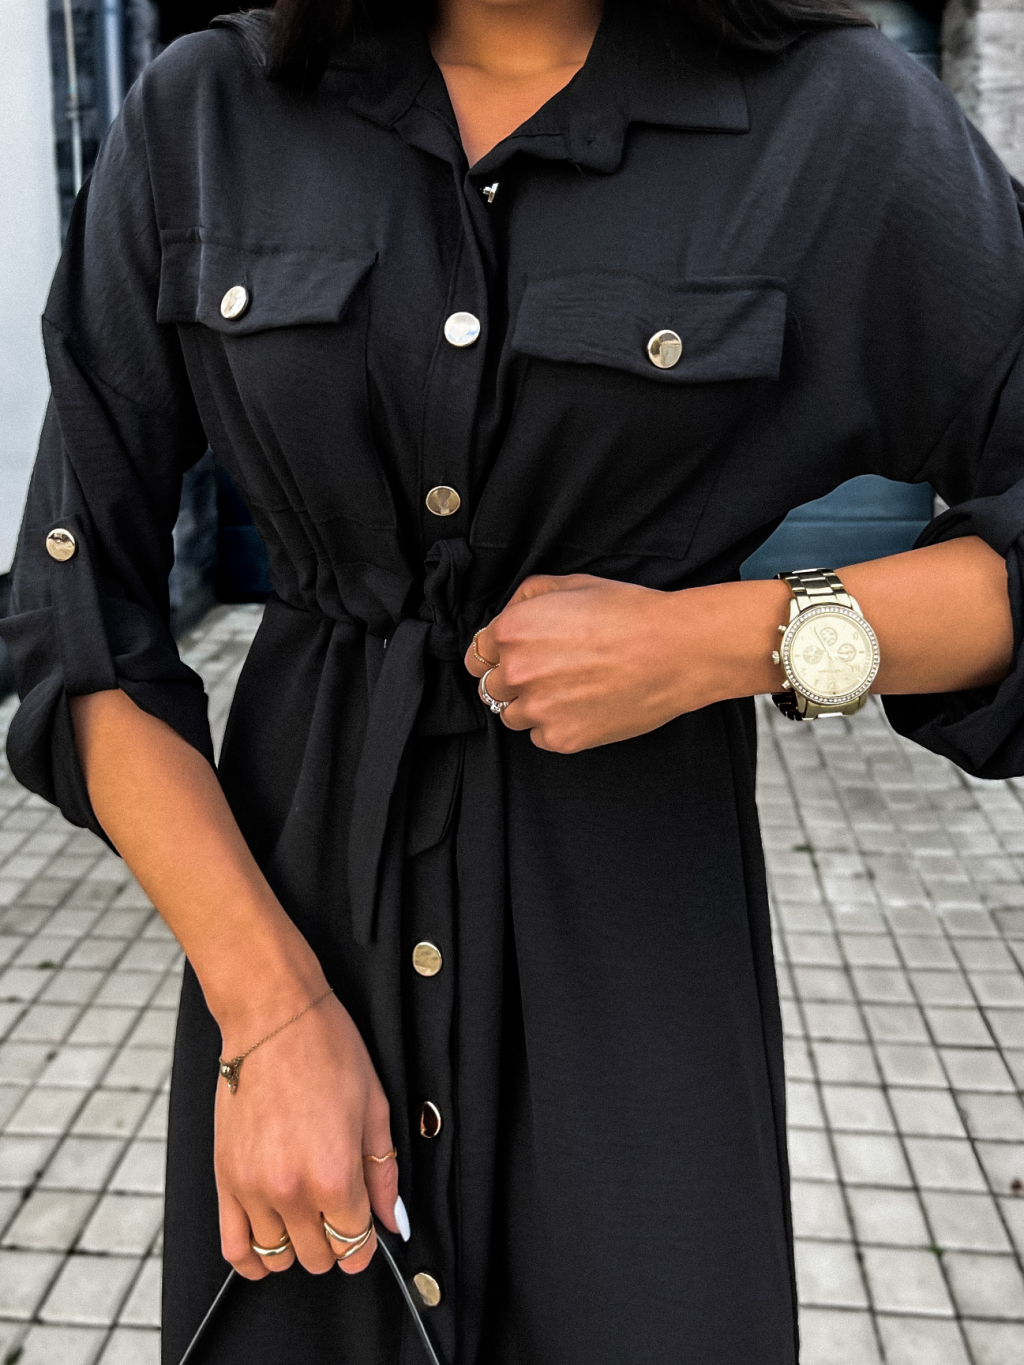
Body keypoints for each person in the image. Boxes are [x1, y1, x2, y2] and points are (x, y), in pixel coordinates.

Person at [3, 0, 1023, 1360]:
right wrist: (273, 1013)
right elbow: (76, 626)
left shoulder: (835, 121)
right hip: (297, 976)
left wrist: (723, 639)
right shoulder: (207, 115)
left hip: (634, 1008)